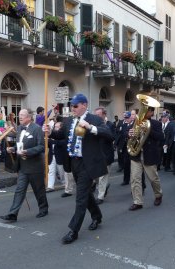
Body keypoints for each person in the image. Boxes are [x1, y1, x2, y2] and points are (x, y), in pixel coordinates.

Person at [48, 93, 112, 244]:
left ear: (84, 105)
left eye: (75, 106)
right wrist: (49, 132)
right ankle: (97, 216)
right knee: (86, 194)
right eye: (72, 106)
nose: (73, 108)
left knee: (80, 197)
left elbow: (109, 135)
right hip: (73, 162)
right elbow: (60, 135)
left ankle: (73, 230)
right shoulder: (69, 120)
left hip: (88, 164)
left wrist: (91, 128)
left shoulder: (95, 119)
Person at [0, 109, 48, 223]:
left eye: (22, 115)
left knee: (38, 190)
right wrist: (13, 149)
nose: (20, 117)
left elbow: (41, 147)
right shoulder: (20, 128)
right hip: (23, 166)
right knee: (19, 190)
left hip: (35, 165)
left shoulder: (36, 129)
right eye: (20, 115)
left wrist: (27, 152)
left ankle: (43, 208)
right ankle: (13, 214)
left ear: (29, 117)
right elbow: (20, 145)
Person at [128, 106, 164, 210]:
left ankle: (158, 195)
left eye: (147, 110)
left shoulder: (156, 124)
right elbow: (129, 133)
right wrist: (129, 134)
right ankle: (137, 202)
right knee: (135, 179)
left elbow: (161, 137)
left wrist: (148, 130)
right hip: (136, 155)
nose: (143, 112)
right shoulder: (136, 122)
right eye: (143, 110)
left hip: (149, 155)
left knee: (153, 179)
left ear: (152, 112)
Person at [94, 107, 115, 204]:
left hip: (106, 155)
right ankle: (105, 187)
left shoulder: (110, 125)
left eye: (98, 114)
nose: (96, 116)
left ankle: (100, 196)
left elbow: (112, 137)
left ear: (104, 115)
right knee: (97, 177)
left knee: (103, 177)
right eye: (96, 115)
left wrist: (101, 130)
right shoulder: (93, 125)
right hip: (96, 155)